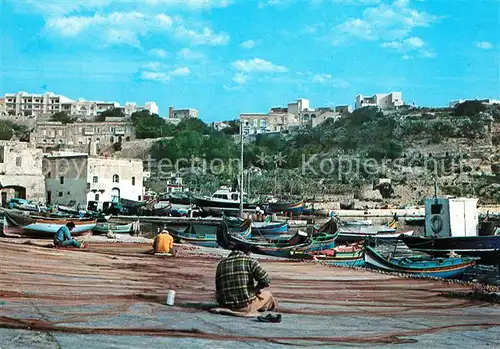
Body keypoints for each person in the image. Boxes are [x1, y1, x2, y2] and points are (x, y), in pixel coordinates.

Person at [215, 243, 277, 314]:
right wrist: (255, 290)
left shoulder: (221, 264)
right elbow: (266, 281)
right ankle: (270, 312)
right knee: (268, 296)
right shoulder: (250, 261)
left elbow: (218, 289)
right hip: (244, 305)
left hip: (225, 305)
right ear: (248, 252)